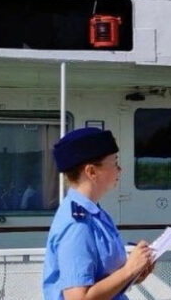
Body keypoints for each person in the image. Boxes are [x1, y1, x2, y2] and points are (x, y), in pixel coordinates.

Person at [43, 128, 155, 300]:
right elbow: (78, 298)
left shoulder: (94, 214)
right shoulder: (77, 225)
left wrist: (134, 273)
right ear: (92, 172)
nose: (120, 169)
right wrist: (129, 269)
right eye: (114, 163)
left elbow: (102, 279)